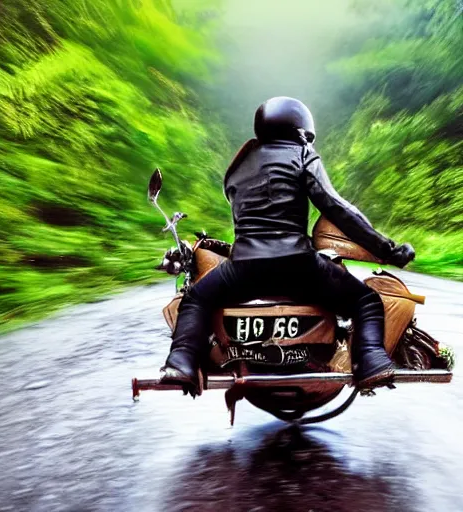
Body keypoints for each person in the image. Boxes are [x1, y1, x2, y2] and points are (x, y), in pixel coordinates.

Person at [160, 96, 415, 397]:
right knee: (366, 302)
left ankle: (182, 363)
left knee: (196, 299)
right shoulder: (302, 153)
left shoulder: (238, 168)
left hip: (244, 268)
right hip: (298, 266)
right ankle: (371, 362)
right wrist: (389, 250)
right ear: (300, 127)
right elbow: (336, 207)